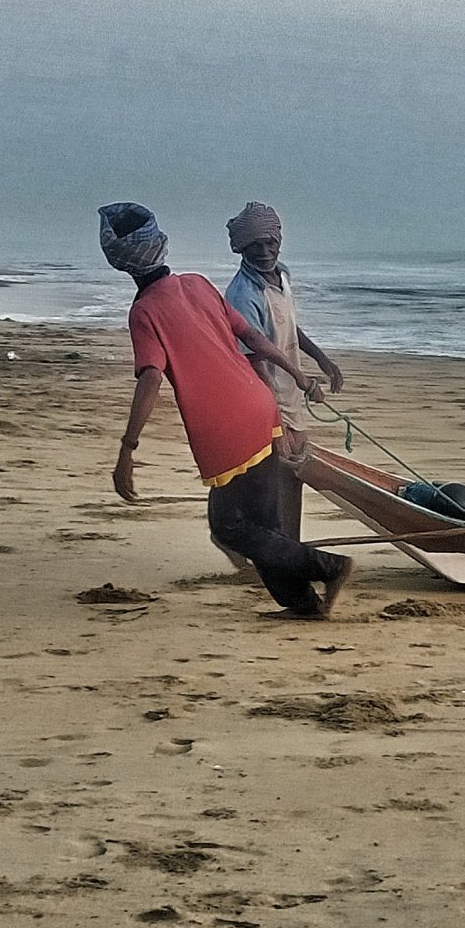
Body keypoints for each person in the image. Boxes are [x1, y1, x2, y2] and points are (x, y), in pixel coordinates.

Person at [99, 203, 353, 620]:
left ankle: (327, 566)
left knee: (229, 527)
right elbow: (253, 337)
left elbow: (150, 379)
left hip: (224, 424)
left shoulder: (144, 311)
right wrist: (299, 374)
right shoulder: (197, 284)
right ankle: (304, 604)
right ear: (160, 245)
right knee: (255, 522)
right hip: (261, 405)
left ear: (119, 263)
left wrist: (128, 449)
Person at [223, 201, 345, 537]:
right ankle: (276, 550)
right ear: (241, 249)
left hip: (290, 394)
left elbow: (289, 327)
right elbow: (254, 359)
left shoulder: (283, 275)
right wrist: (275, 418)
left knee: (294, 476)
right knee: (280, 479)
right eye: (255, 246)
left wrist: (321, 358)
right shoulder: (243, 295)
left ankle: (289, 546)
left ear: (279, 240)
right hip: (266, 398)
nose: (264, 252)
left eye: (270, 243)